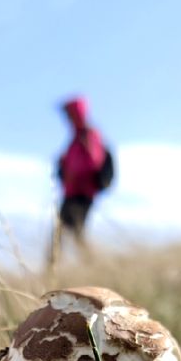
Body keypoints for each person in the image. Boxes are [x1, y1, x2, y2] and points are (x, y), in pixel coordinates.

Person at [52, 98, 114, 260]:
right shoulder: (76, 137)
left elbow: (93, 161)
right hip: (72, 191)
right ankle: (90, 264)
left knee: (67, 233)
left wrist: (71, 172)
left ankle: (93, 264)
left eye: (68, 114)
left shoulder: (88, 134)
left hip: (81, 192)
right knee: (68, 233)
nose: (66, 118)